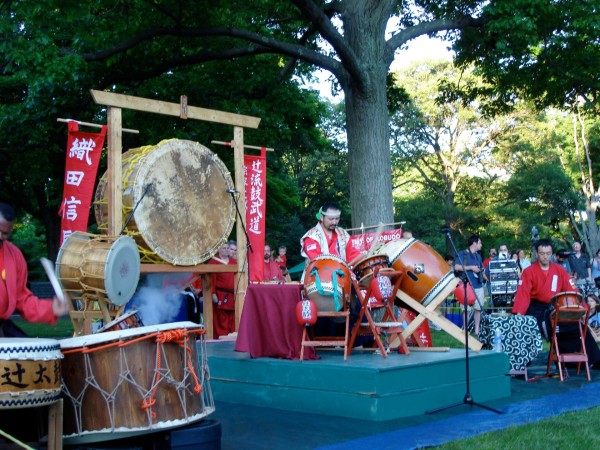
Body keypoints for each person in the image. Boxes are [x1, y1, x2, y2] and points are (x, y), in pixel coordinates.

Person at [512, 239, 600, 368]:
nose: (545, 256)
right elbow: (523, 294)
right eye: (542, 253)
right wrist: (519, 313)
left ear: (552, 253)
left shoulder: (559, 270)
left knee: (577, 325)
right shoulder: (529, 271)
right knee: (534, 324)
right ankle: (522, 362)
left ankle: (593, 360)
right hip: (536, 309)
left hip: (556, 307)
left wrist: (582, 308)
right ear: (537, 254)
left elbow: (572, 290)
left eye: (548, 253)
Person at [0, 202, 69, 337]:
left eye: (4, 233)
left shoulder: (14, 256)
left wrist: (51, 309)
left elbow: (22, 300)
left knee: (32, 354)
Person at [454, 234, 487, 335]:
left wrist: (487, 277)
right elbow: (457, 267)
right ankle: (465, 330)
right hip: (466, 286)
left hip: (478, 285)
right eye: (480, 243)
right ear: (474, 243)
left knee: (478, 309)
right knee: (466, 310)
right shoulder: (462, 254)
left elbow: (482, 270)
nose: (481, 245)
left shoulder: (478, 256)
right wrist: (471, 267)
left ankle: (477, 330)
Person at [208, 242, 236, 339]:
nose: (226, 250)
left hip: (232, 296)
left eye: (227, 248)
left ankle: (230, 339)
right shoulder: (214, 262)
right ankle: (220, 339)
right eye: (223, 248)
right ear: (219, 250)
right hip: (220, 294)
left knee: (232, 320)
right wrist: (213, 294)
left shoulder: (233, 262)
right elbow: (211, 280)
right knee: (220, 320)